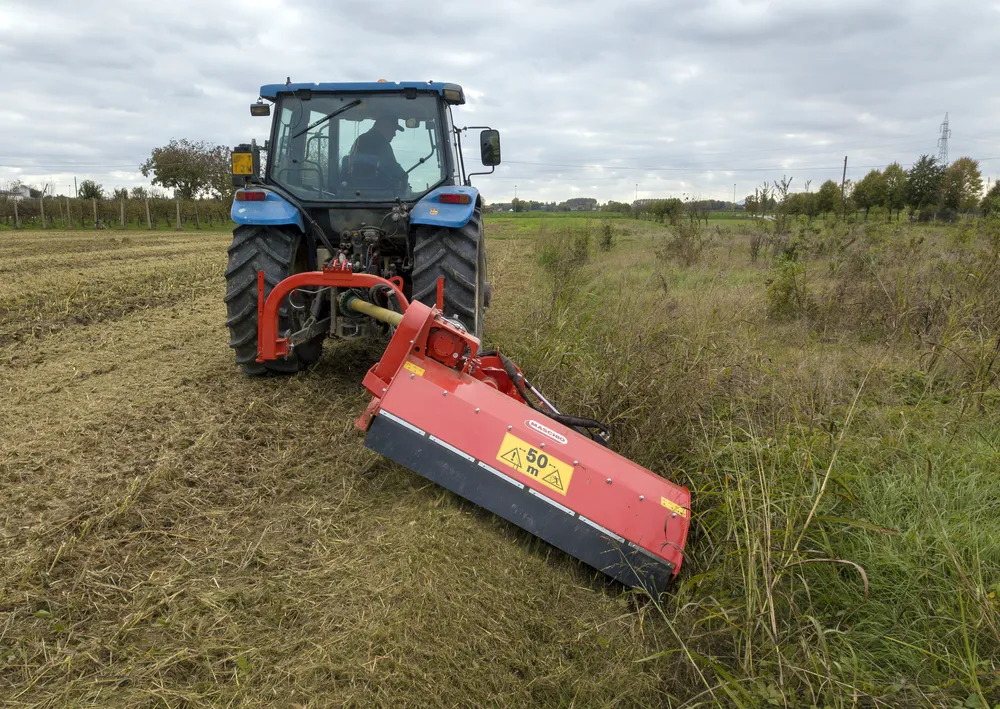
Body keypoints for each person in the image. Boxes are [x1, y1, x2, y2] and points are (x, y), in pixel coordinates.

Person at [346, 115, 408, 191]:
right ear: (382, 126)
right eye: (392, 129)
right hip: (377, 192)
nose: (394, 134)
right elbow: (392, 167)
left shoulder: (360, 139)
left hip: (354, 190)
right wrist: (404, 177)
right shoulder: (381, 142)